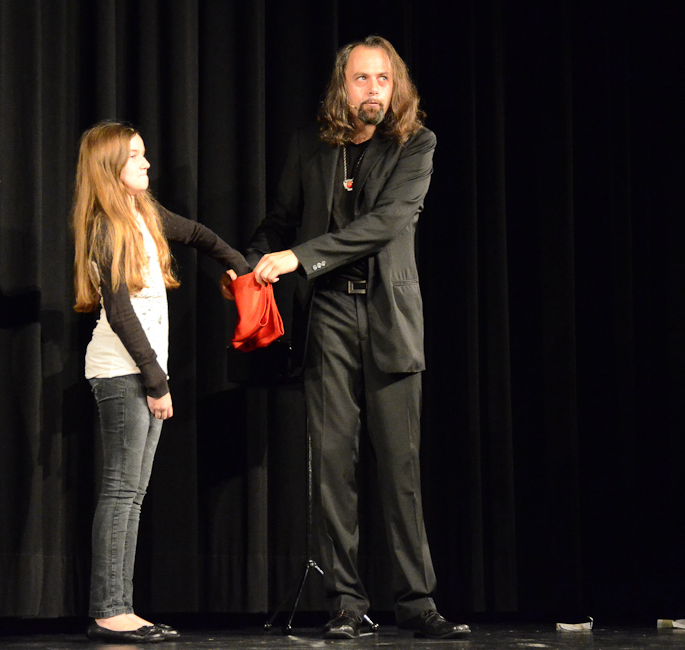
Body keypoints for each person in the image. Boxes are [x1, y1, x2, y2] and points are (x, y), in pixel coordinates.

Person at [246, 36, 469, 639]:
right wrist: (249, 265)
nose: (373, 89)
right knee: (332, 469)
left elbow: (386, 223)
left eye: (383, 79)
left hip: (388, 316)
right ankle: (346, 602)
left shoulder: (416, 145)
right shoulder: (311, 146)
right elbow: (279, 222)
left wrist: (299, 258)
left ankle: (417, 602)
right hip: (329, 317)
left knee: (400, 468)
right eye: (361, 78)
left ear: (397, 87)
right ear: (342, 87)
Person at [72, 121, 249, 644]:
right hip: (122, 370)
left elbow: (198, 235)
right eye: (135, 156)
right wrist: (156, 381)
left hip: (144, 371)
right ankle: (110, 611)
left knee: (134, 494)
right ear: (110, 166)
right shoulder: (106, 226)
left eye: (144, 153)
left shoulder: (143, 213)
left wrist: (238, 266)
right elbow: (120, 312)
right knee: (121, 490)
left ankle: (119, 607)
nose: (146, 163)